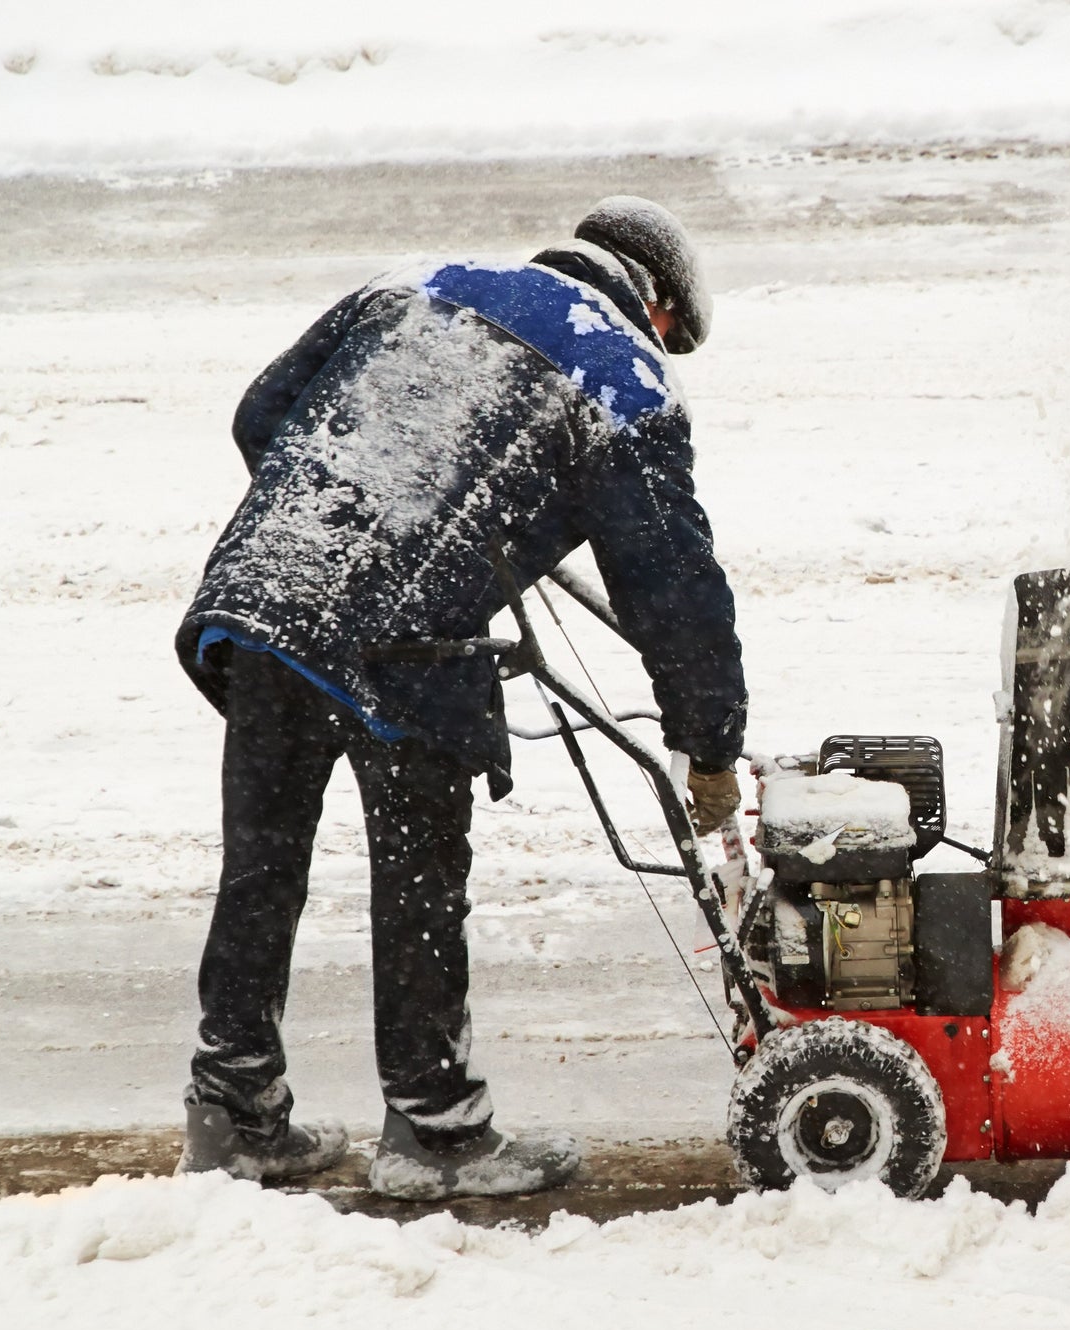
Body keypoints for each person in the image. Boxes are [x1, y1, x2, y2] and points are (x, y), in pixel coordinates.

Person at [173, 197, 748, 1199]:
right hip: (403, 643)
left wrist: (360, 525)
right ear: (655, 307)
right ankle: (434, 1132)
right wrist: (708, 742)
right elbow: (668, 581)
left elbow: (261, 414)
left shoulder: (416, 284)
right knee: (418, 882)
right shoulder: (616, 368)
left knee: (263, 864)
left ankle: (234, 1111)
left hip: (264, 598)